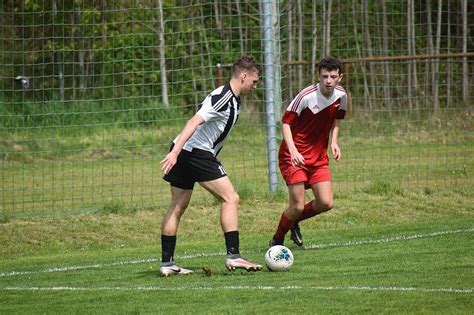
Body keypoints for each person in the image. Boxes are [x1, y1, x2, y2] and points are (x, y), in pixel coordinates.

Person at [159, 55, 263, 276]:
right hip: (195, 153)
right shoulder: (224, 97)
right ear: (244, 76)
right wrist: (175, 153)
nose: (255, 86)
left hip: (187, 150)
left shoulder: (233, 99)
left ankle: (167, 264)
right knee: (231, 198)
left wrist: (178, 151)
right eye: (254, 81)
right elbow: (193, 122)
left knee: (177, 206)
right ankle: (234, 256)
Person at [270, 56, 348, 247]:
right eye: (324, 76)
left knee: (326, 203)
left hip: (319, 156)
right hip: (293, 155)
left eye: (332, 76)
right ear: (319, 76)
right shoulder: (306, 96)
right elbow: (286, 123)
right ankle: (277, 240)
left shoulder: (342, 96)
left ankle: (293, 221)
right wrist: (293, 151)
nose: (328, 81)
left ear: (340, 77)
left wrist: (334, 142)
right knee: (296, 205)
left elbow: (337, 118)